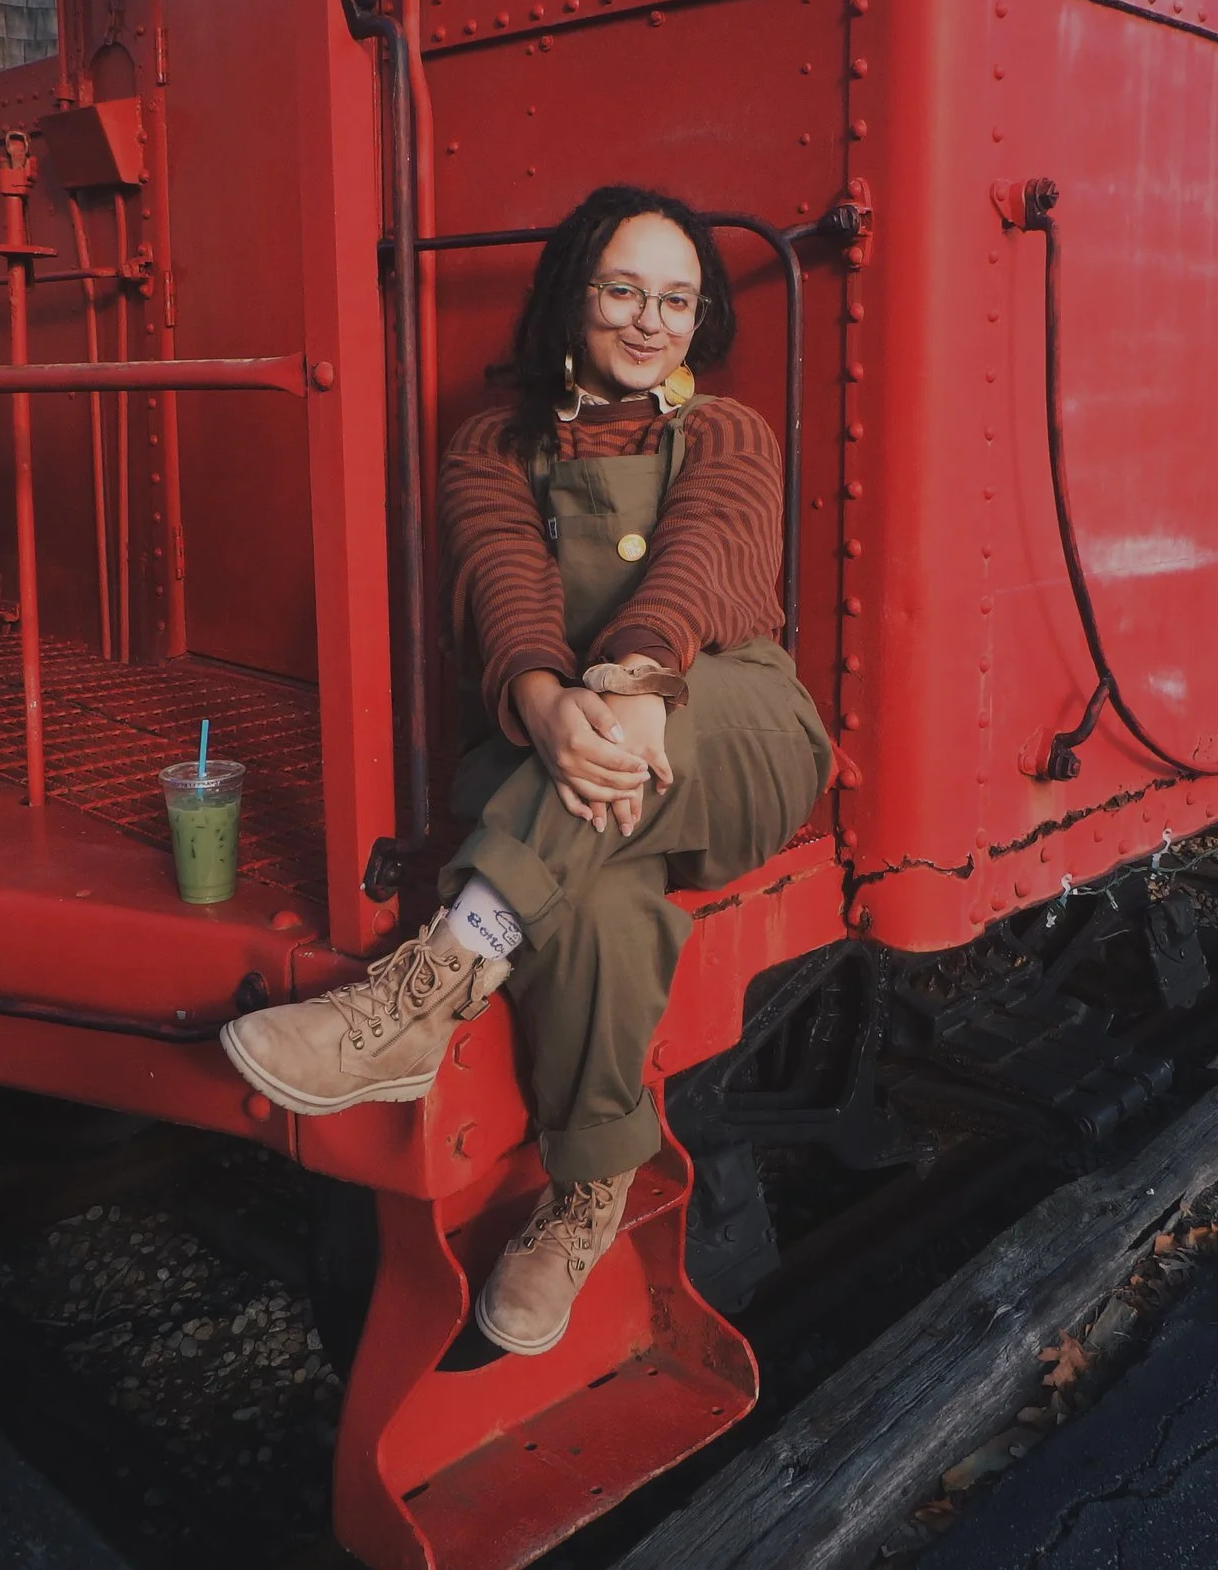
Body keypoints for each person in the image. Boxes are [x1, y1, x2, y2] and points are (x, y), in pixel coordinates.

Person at [220, 185, 831, 1355]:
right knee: (599, 905)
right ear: (572, 297)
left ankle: (435, 976)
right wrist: (549, 707)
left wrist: (639, 680)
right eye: (621, 292)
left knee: (620, 749)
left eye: (676, 301)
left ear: (700, 322)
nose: (649, 323)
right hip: (571, 762)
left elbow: (703, 559)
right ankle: (587, 1196)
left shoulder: (728, 433)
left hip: (733, 730)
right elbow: (500, 579)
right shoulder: (495, 442)